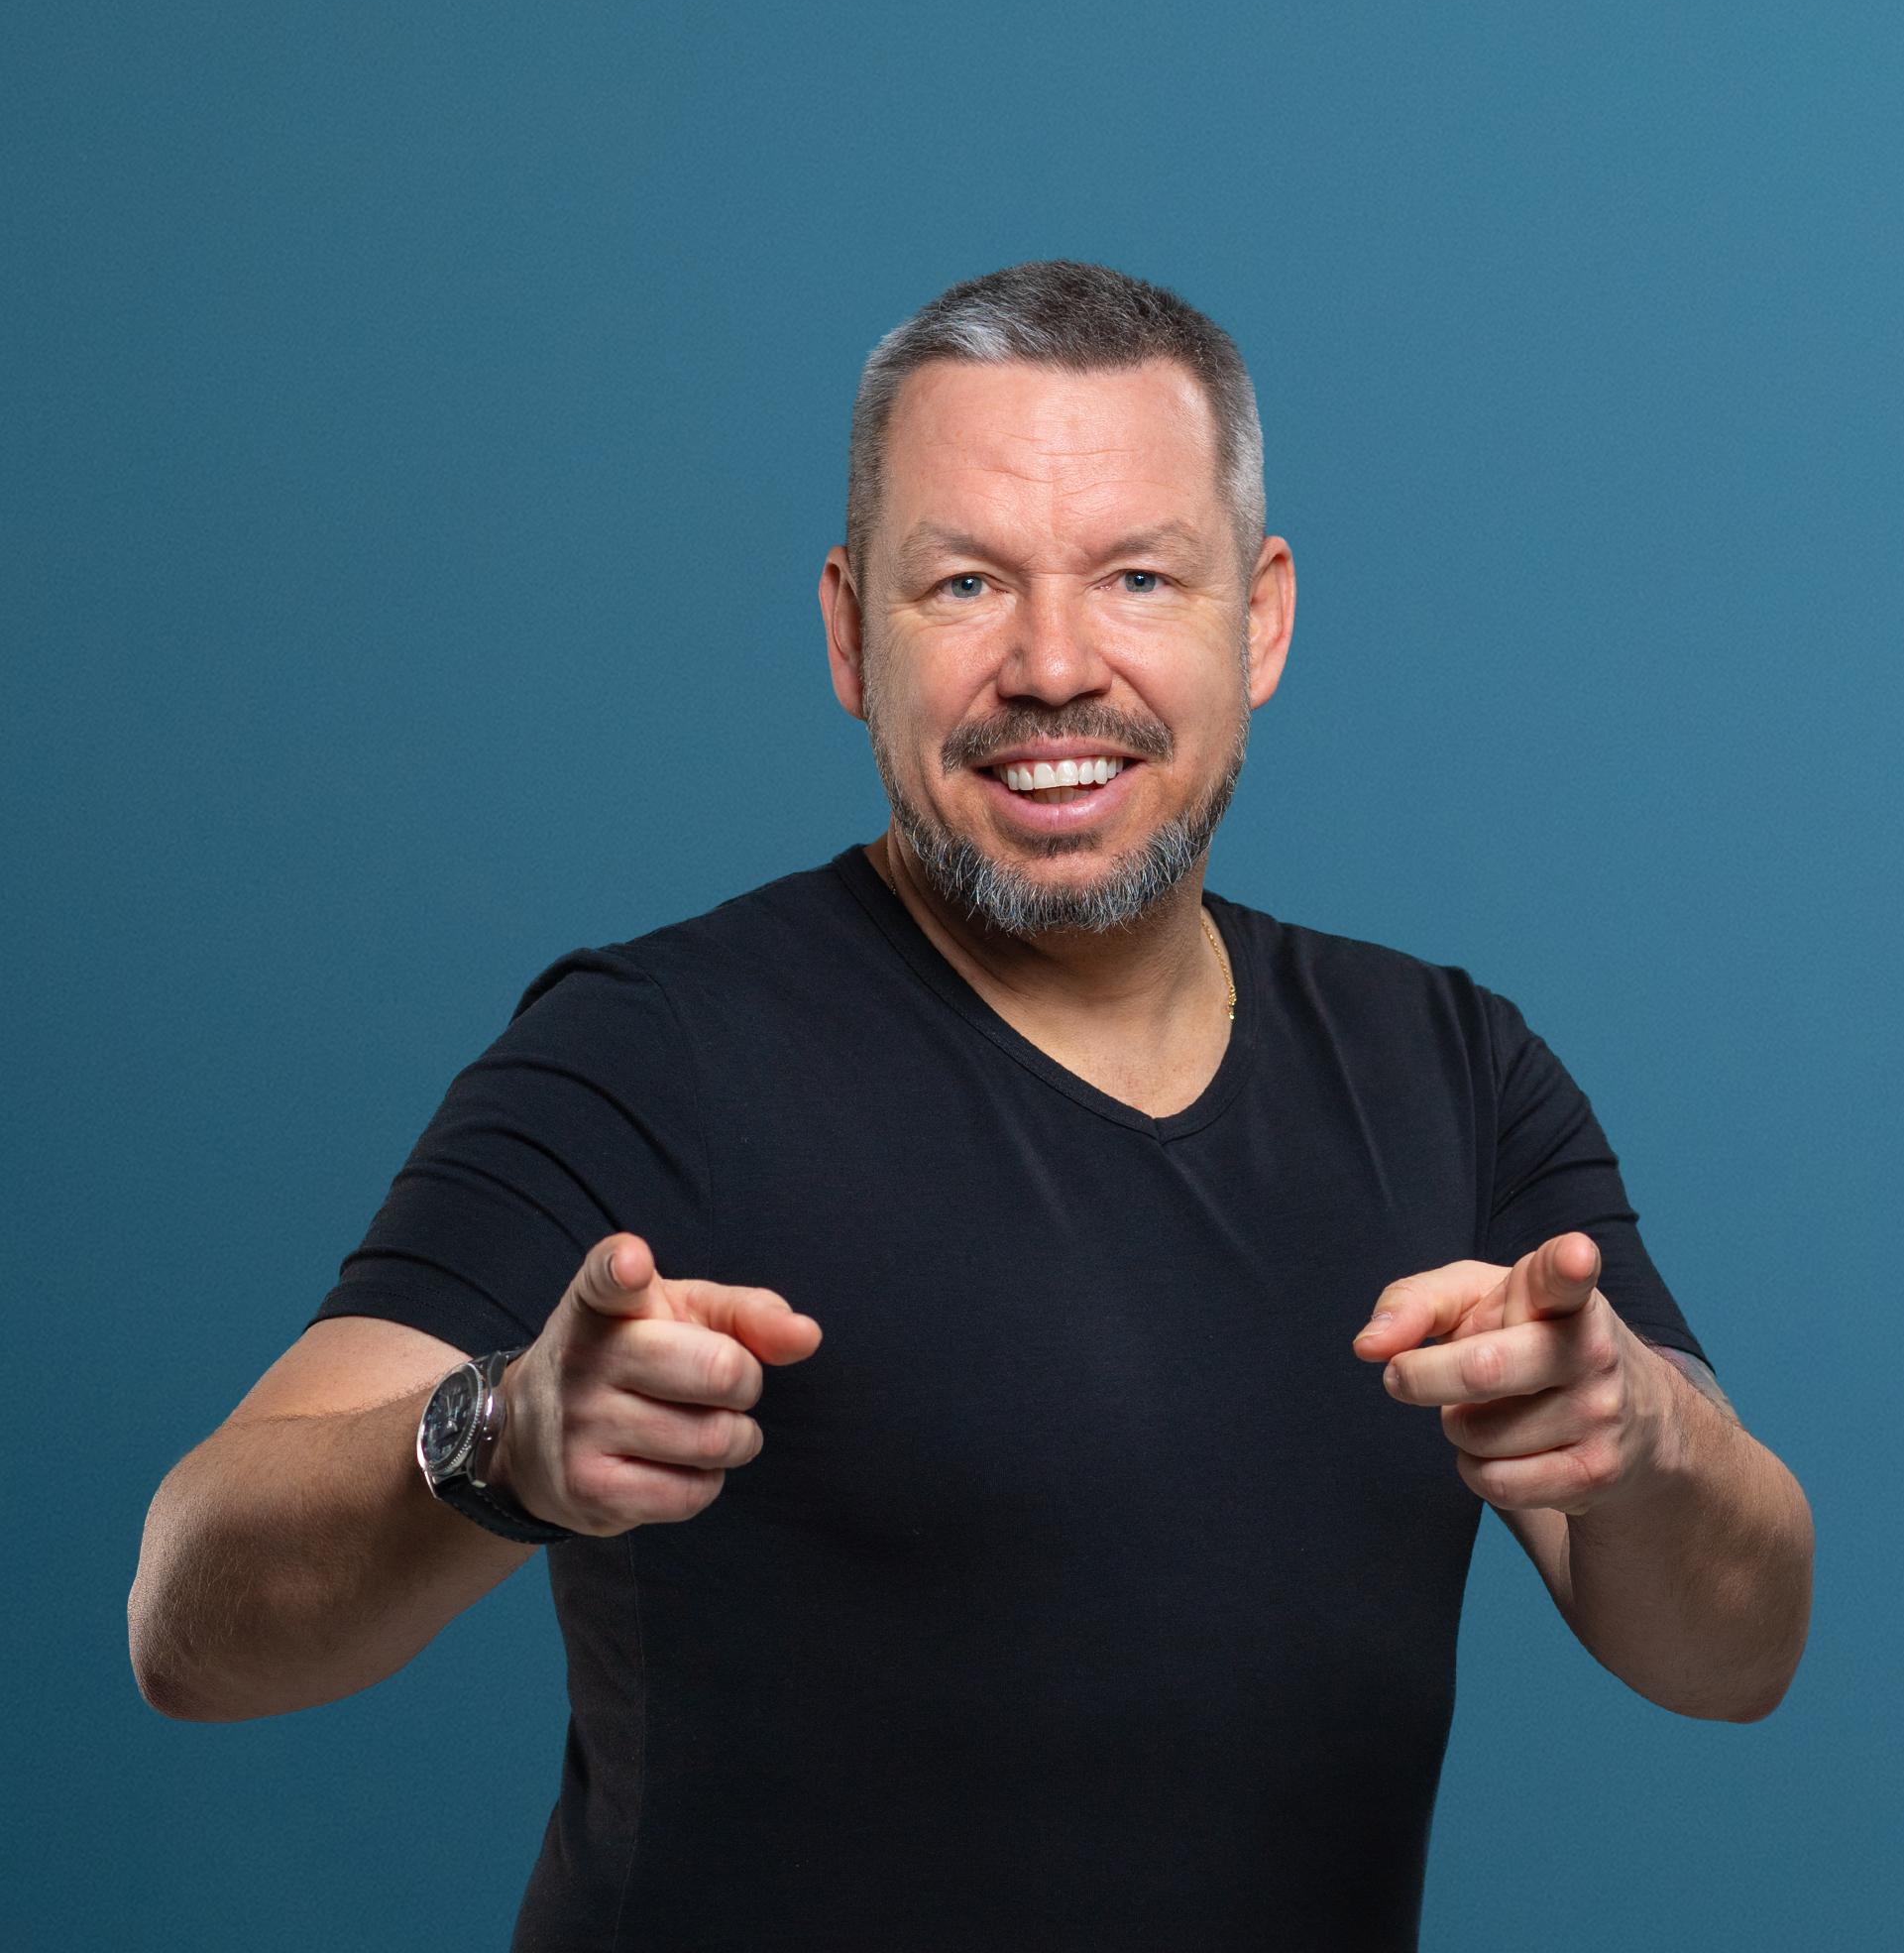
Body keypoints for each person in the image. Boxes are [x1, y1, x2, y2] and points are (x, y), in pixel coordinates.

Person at [126, 261, 1815, 1949]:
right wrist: (496, 1443)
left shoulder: (1452, 1070)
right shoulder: (656, 1053)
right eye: (966, 585)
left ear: (1260, 620)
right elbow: (188, 1620)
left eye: (1137, 576)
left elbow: (1738, 1652)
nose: (1054, 666)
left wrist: (1654, 1447)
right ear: (852, 633)